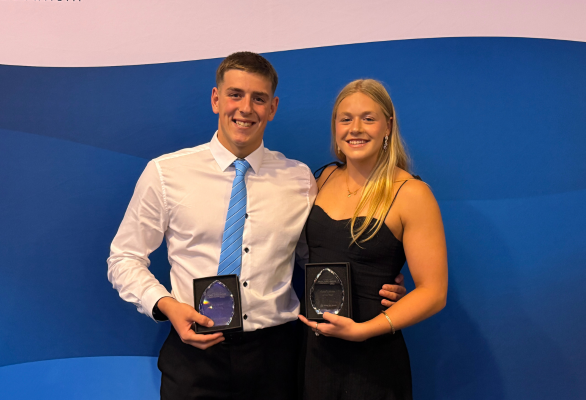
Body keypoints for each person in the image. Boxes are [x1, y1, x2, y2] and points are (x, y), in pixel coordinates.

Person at [107, 52, 406, 400]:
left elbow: (317, 256)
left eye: (258, 98)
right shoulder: (165, 173)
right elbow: (124, 258)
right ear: (216, 99)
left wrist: (369, 285)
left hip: (277, 356)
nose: (245, 108)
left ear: (272, 107)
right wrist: (166, 305)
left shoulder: (300, 179)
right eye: (235, 94)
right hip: (194, 354)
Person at [298, 79, 448, 400]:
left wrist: (363, 331)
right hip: (315, 354)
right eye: (346, 118)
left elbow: (434, 293)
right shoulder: (322, 178)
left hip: (373, 361)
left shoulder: (411, 194)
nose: (356, 128)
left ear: (388, 127)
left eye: (368, 118)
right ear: (335, 128)